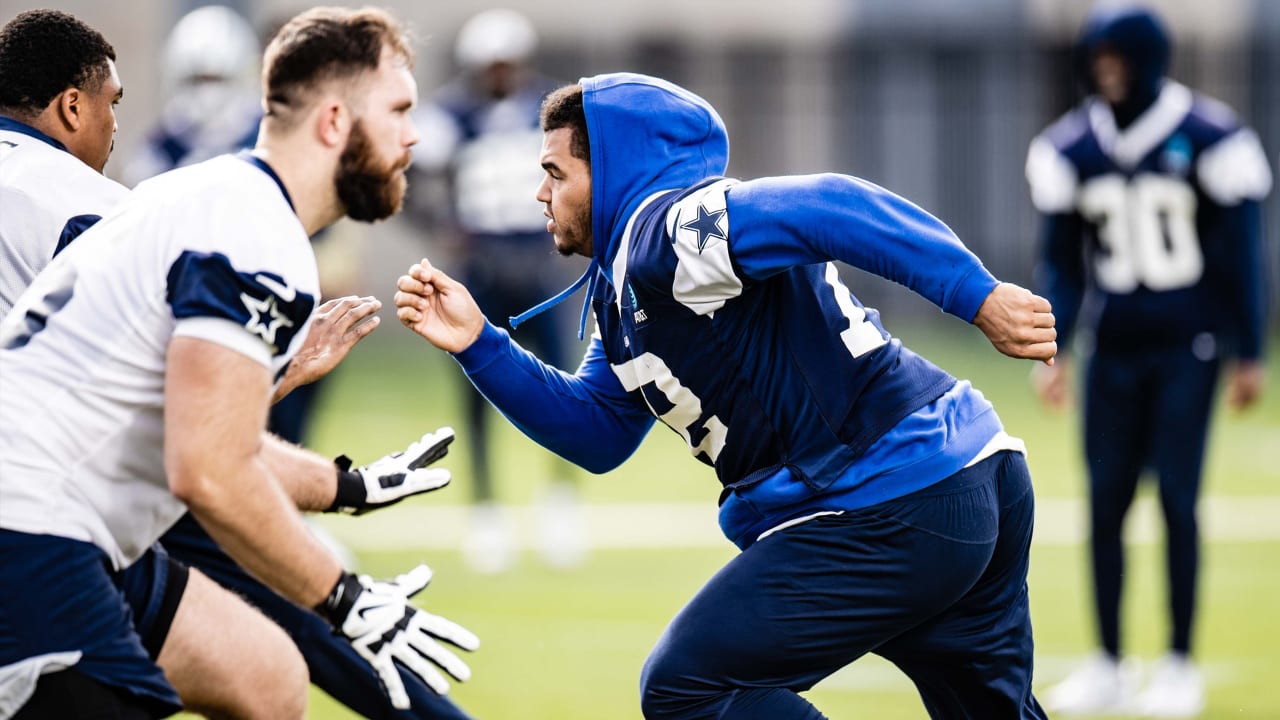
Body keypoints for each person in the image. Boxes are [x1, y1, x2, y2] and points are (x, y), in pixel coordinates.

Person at [395, 71, 1058, 718]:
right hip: (969, 471)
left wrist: (976, 294)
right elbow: (598, 432)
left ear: (618, 169)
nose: (539, 193)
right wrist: (481, 343)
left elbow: (829, 203)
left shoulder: (666, 237)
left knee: (689, 687)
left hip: (892, 498)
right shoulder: (626, 281)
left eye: (556, 173)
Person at [0, 8, 479, 718]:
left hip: (68, 521)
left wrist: (346, 486)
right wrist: (345, 597)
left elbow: (188, 426)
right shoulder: (254, 235)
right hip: (32, 532)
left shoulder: (202, 197)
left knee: (266, 677)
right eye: (400, 109)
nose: (415, 134)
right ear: (334, 121)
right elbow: (205, 467)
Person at [1025, 5, 1271, 717]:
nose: (1107, 73)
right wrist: (1054, 346)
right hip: (1113, 345)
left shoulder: (1211, 137)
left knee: (1178, 503)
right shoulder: (1072, 148)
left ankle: (1179, 661)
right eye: (1097, 59)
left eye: (1118, 58)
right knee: (1105, 505)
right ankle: (1107, 659)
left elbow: (1237, 255)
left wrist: (1248, 350)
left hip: (1186, 344)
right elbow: (1062, 264)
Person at [407, 7, 587, 574]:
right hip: (482, 266)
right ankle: (487, 512)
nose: (500, 75)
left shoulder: (546, 112)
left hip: (535, 262)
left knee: (563, 383)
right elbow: (410, 175)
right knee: (479, 389)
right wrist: (441, 228)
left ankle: (560, 504)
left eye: (508, 64)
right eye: (492, 65)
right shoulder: (452, 115)